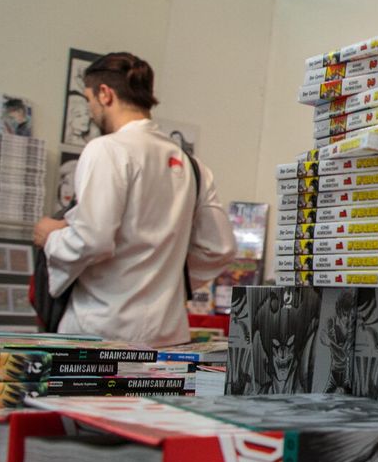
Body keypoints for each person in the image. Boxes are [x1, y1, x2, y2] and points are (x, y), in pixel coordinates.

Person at [32, 52, 236, 346]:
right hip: (165, 334)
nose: (90, 112)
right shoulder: (193, 165)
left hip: (100, 331)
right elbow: (221, 248)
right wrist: (163, 275)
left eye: (89, 100)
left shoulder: (106, 150)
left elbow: (94, 239)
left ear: (105, 94)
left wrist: (49, 237)